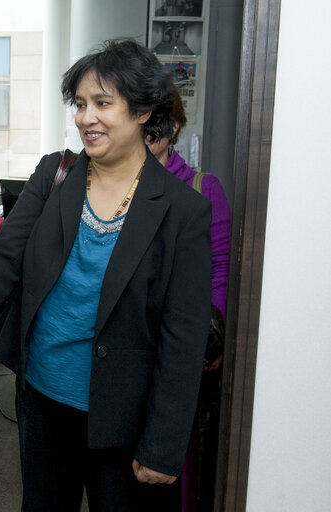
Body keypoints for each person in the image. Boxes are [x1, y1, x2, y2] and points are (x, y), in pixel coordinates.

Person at [0, 39, 212, 511]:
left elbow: (184, 337)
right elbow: (2, 256)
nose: (85, 117)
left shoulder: (183, 212)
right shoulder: (53, 177)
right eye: (79, 104)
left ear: (141, 112)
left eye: (102, 103)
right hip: (42, 396)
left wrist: (163, 444)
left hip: (125, 414)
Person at [147, 86, 232, 512]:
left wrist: (207, 338)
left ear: (175, 126)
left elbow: (219, 270)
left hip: (181, 348)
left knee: (176, 468)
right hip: (129, 349)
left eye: (159, 120)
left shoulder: (203, 187)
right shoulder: (113, 186)